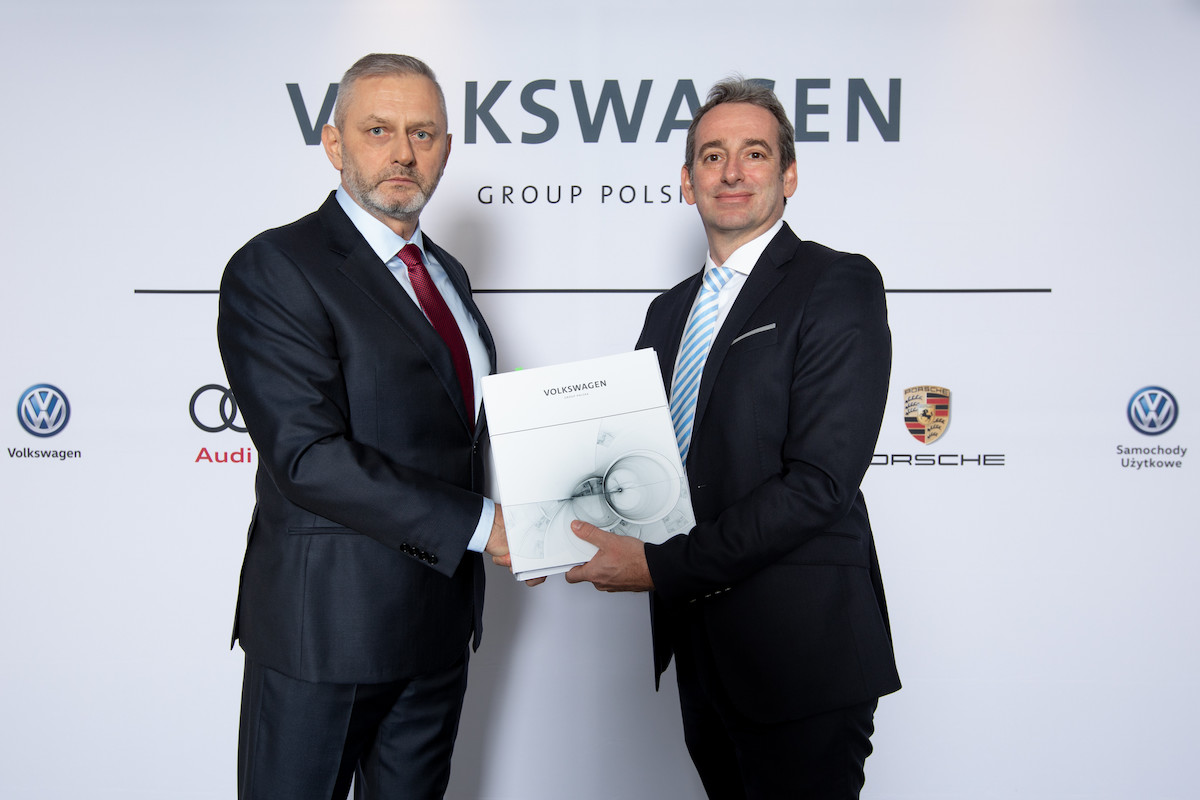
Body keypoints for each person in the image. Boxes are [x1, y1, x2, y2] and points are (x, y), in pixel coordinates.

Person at [566, 78, 901, 798]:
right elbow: (633, 461)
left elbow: (819, 486)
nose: (732, 171)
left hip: (801, 653)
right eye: (712, 155)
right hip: (701, 652)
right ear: (687, 182)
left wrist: (662, 567)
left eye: (754, 153)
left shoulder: (836, 284)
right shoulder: (668, 313)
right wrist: (554, 515)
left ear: (789, 175)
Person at [218, 53, 513, 800]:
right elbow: (309, 457)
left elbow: (451, 431)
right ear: (335, 143)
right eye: (378, 129)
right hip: (327, 633)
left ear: (446, 146)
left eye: (424, 133)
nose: (403, 153)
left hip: (438, 630)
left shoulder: (443, 271)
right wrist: (486, 525)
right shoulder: (277, 266)